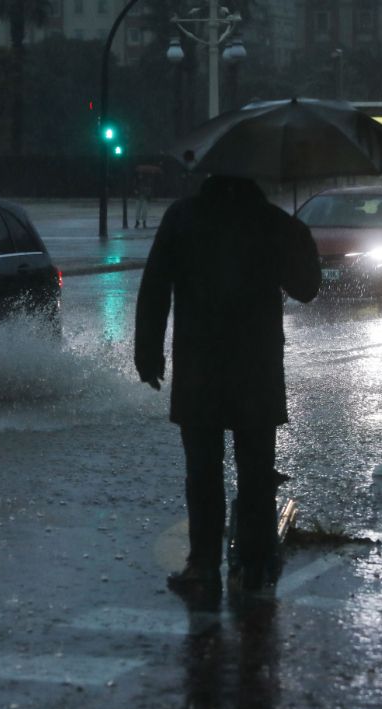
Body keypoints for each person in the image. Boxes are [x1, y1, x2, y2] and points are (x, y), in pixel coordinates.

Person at [133, 175, 320, 598]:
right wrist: (296, 231)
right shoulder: (271, 222)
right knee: (255, 471)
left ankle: (202, 565)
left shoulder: (183, 218)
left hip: (199, 364)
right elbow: (306, 288)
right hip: (257, 366)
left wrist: (148, 353)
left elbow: (156, 286)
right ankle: (252, 565)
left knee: (202, 470)